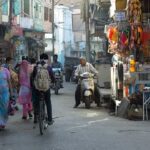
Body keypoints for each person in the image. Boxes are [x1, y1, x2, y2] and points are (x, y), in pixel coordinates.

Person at [32, 53, 55, 125]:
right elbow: (52, 76)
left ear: (40, 58)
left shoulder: (36, 67)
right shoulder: (48, 67)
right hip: (46, 88)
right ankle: (50, 119)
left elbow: (33, 77)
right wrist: (53, 82)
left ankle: (37, 114)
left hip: (37, 88)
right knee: (48, 102)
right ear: (47, 59)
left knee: (35, 101)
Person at [0, 59, 12, 129]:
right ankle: (0, 122)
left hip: (5, 93)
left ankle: (3, 121)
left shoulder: (5, 70)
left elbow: (9, 82)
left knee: (4, 108)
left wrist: (11, 92)